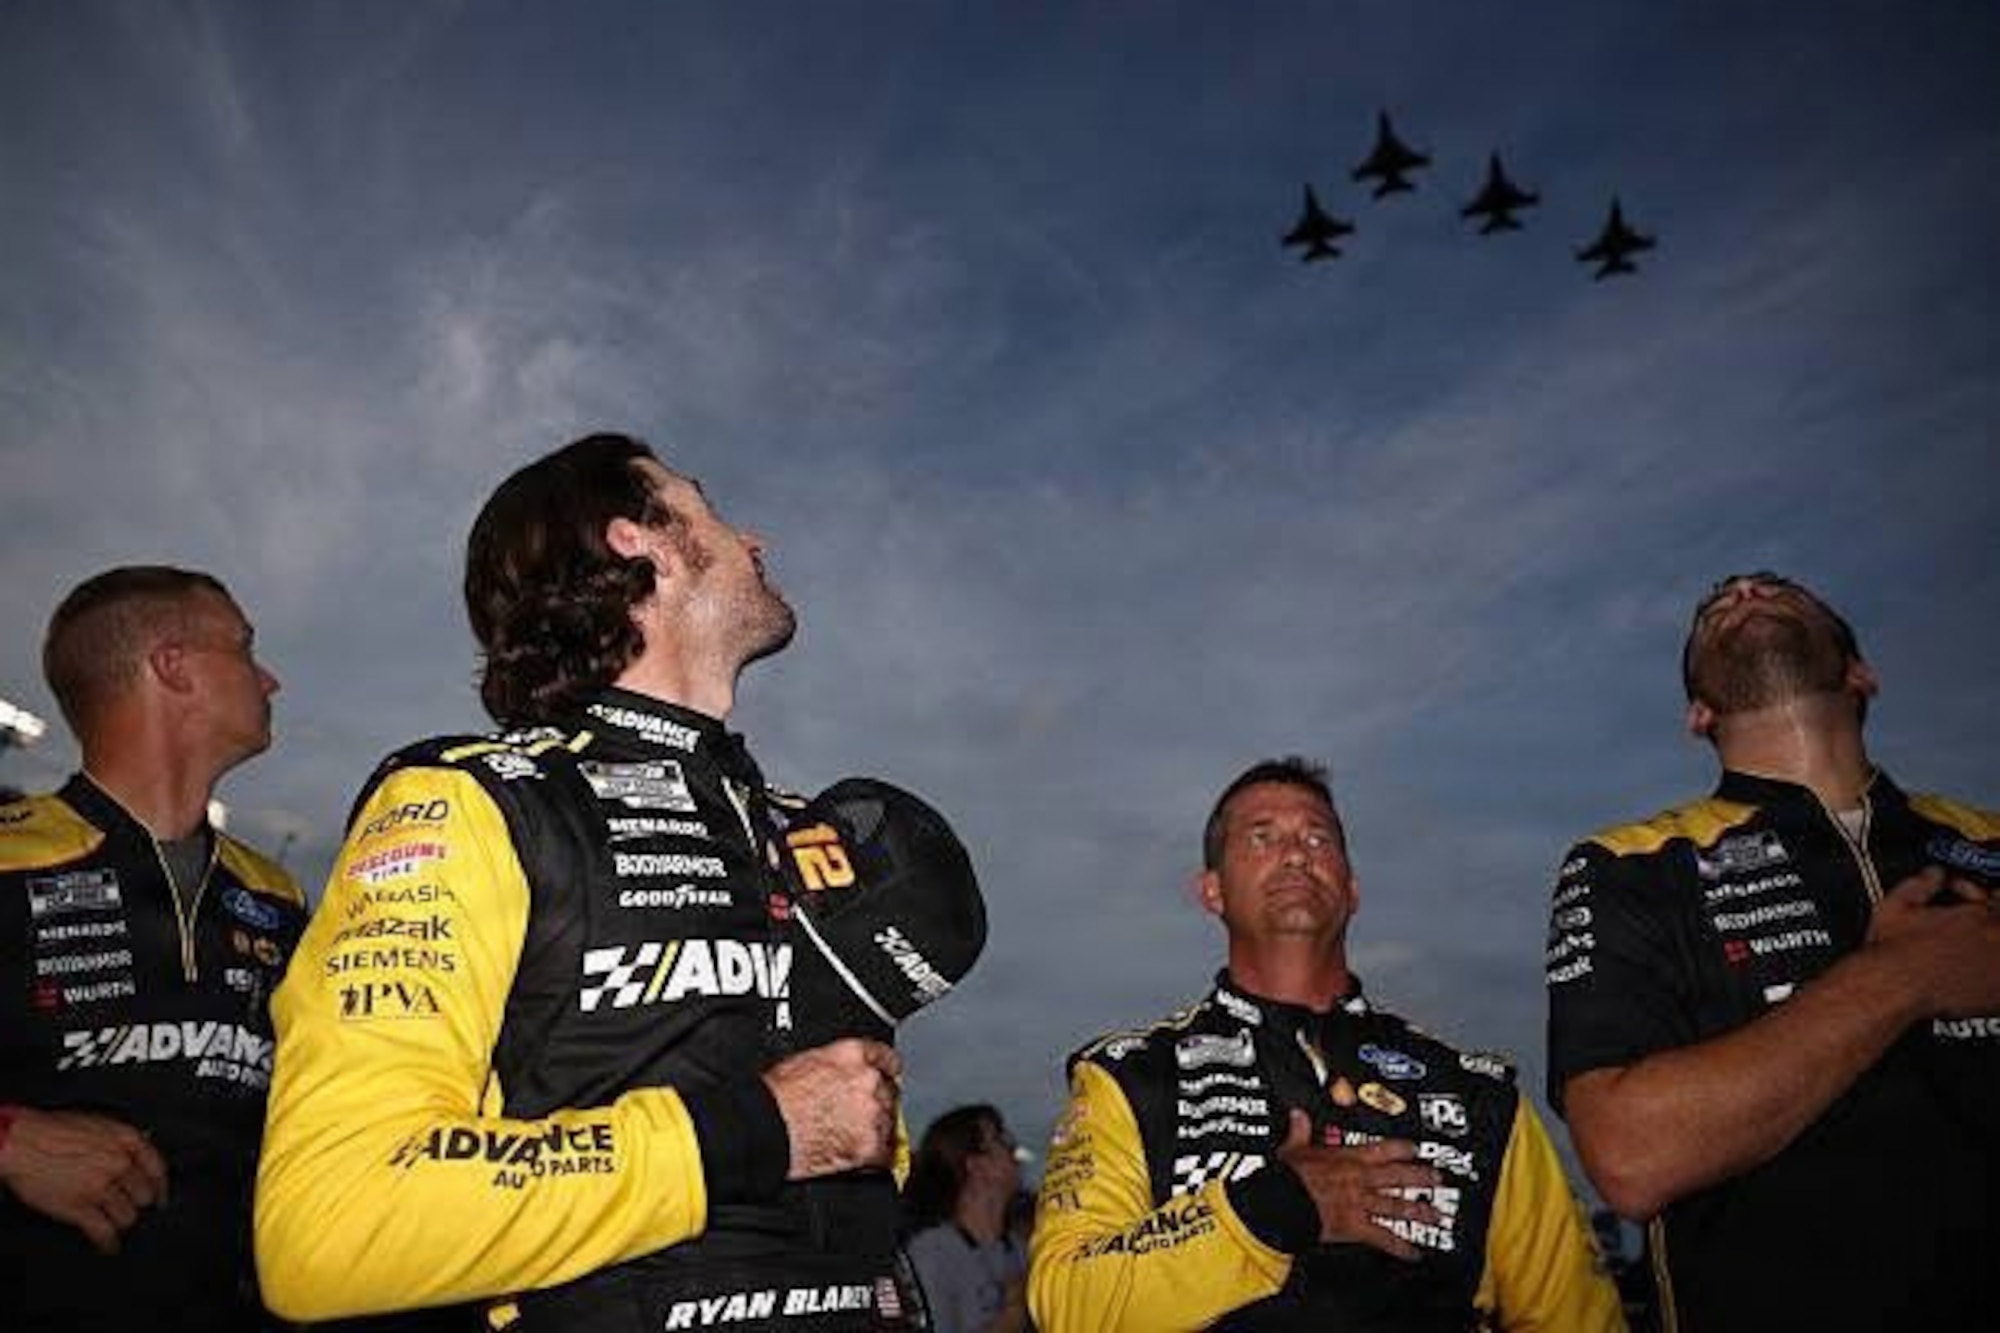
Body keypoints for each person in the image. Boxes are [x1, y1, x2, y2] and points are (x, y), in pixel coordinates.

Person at [255, 433, 915, 1331]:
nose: (753, 539)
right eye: (708, 509)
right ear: (637, 541)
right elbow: (335, 1219)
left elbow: (859, 1141)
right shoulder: (471, 799)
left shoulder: (803, 833)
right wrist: (756, 1130)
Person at [1545, 571, 2000, 1331]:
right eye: (1718, 605)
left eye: (1778, 590)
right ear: (1699, 713)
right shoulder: (1628, 863)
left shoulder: (1989, 841)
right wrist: (1902, 979)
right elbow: (1629, 1154)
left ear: (1861, 675)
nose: (1747, 591)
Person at [1030, 758, 1622, 1332]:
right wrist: (1275, 1208)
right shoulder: (1131, 1078)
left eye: (1318, 838)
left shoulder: (1477, 1096)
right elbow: (1067, 1303)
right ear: (1212, 891)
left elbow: (1575, 1318)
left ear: (1352, 889)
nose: (1295, 853)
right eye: (1262, 837)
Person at [1, 565, 306, 1331]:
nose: (270, 679)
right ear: (173, 665)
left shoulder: (279, 896)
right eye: (244, 647)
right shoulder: (8, 857)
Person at [902, 1105, 1029, 1333]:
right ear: (976, 1166)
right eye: (1001, 1140)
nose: (1014, 1150)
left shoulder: (1019, 1249)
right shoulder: (931, 1255)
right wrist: (1012, 1316)